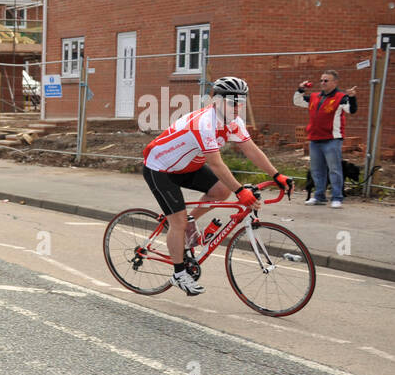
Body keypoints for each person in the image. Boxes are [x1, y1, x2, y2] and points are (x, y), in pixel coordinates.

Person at [141, 76, 291, 296]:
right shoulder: (205, 122)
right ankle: (179, 274)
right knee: (178, 222)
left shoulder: (233, 122)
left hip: (188, 166)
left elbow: (251, 150)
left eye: (241, 102)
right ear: (216, 101)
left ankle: (189, 221)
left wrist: (277, 175)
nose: (237, 107)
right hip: (160, 169)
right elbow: (216, 163)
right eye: (232, 102)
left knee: (221, 190)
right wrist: (242, 192)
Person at [294, 69, 358, 208]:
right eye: (321, 80)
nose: (322, 83)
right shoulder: (314, 96)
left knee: (334, 169)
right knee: (317, 170)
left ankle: (337, 197)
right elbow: (297, 101)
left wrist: (352, 97)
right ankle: (319, 196)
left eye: (326, 80)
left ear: (335, 82)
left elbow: (351, 110)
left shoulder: (341, 97)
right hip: (315, 139)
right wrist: (300, 89)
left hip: (332, 139)